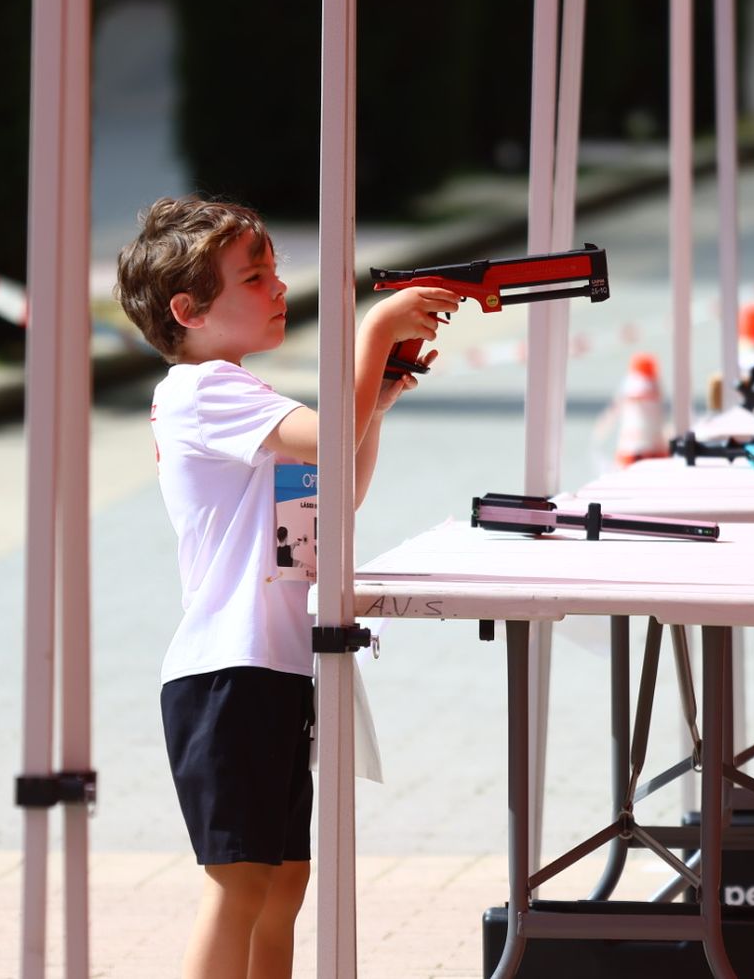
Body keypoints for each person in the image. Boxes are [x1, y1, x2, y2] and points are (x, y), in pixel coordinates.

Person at [114, 195, 458, 979]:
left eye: (274, 272)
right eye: (255, 276)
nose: (278, 289)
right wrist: (371, 335)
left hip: (267, 668)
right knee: (239, 884)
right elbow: (334, 434)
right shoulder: (201, 389)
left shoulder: (243, 398)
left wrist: (384, 392)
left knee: (284, 884)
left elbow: (338, 489)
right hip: (225, 672)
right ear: (189, 309)